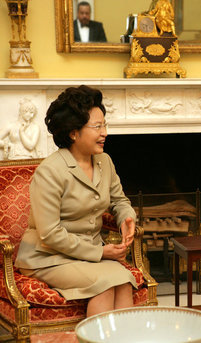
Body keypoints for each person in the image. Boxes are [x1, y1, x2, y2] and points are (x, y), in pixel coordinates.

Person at [14, 85, 137, 317]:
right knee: (105, 284)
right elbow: (50, 233)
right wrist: (100, 253)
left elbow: (119, 201)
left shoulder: (104, 161)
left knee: (124, 281)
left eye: (105, 125)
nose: (105, 133)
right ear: (73, 132)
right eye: (97, 127)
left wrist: (127, 217)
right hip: (47, 257)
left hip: (85, 255)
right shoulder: (49, 172)